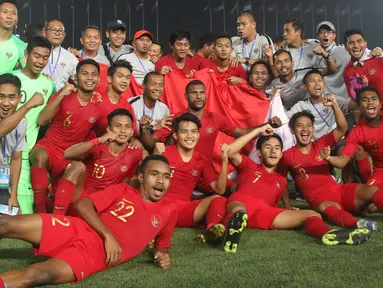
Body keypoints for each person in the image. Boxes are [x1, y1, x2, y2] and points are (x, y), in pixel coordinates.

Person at [0, 155, 176, 287]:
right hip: (79, 228)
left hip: (95, 254)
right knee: (6, 223)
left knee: (37, 274)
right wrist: (108, 235)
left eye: (166, 176)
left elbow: (161, 248)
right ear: (140, 177)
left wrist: (162, 256)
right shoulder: (123, 190)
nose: (161, 181)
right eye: (154, 174)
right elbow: (83, 205)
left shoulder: (168, 211)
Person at [220, 125, 372, 252]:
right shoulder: (250, 166)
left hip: (263, 212)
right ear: (259, 153)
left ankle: (328, 234)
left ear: (281, 154)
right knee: (238, 207)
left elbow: (276, 203)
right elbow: (230, 151)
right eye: (268, 147)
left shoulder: (282, 181)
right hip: (243, 203)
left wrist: (288, 209)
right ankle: (235, 224)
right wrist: (257, 132)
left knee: (312, 214)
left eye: (277, 148)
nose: (273, 151)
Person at [279, 96, 379, 230]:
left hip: (339, 190)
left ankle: (362, 208)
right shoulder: (286, 156)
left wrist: (334, 105)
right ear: (292, 131)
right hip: (321, 200)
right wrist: (287, 206)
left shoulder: (321, 144)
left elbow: (342, 128)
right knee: (325, 208)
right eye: (300, 126)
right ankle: (357, 224)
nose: (305, 129)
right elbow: (281, 181)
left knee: (374, 191)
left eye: (309, 125)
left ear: (313, 130)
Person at [29, 59, 103, 214]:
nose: (89, 78)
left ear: (99, 79)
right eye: (85, 73)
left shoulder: (99, 106)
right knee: (40, 155)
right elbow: (42, 120)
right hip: (49, 146)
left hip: (70, 154)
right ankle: (40, 212)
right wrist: (61, 94)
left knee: (77, 169)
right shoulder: (65, 95)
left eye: (94, 74)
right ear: (76, 77)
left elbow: (104, 132)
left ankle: (57, 218)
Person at [43, 108, 141, 215]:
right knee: (77, 166)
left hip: (99, 206)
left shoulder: (135, 154)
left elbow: (124, 184)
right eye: (118, 126)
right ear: (108, 129)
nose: (123, 130)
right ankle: (58, 216)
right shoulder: (98, 146)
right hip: (78, 199)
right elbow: (67, 154)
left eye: (127, 127)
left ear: (132, 132)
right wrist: (98, 140)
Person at [141, 80, 259, 163]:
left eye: (202, 93)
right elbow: (150, 143)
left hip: (206, 173)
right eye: (194, 93)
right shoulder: (175, 118)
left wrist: (267, 126)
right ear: (186, 96)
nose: (198, 96)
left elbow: (243, 133)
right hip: (180, 171)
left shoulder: (216, 118)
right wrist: (145, 128)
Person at [153, 113, 227, 239]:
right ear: (175, 135)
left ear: (198, 135)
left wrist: (225, 161)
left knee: (219, 199)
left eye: (193, 131)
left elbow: (220, 189)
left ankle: (213, 230)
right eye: (184, 132)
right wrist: (154, 156)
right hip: (158, 207)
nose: (189, 136)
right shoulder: (165, 152)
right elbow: (147, 182)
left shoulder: (201, 160)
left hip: (182, 210)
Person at [10, 36, 56, 214]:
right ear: (27, 54)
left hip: (25, 156)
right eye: (37, 56)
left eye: (45, 58)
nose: (40, 61)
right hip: (4, 152)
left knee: (24, 214)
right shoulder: (9, 79)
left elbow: (45, 119)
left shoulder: (48, 84)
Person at [321, 86, 383, 213]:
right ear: (359, 106)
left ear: (380, 104)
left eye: (374, 99)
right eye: (365, 100)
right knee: (363, 206)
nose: (370, 102)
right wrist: (328, 157)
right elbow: (342, 161)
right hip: (380, 172)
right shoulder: (357, 132)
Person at [0, 74, 44, 212]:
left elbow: (16, 158)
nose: (6, 103)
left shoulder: (21, 122)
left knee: (14, 221)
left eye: (11, 97)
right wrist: (28, 105)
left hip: (2, 182)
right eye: (1, 97)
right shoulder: (23, 112)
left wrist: (13, 195)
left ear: (19, 98)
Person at [287, 69, 358, 140]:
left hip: (338, 140)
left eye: (319, 80)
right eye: (312, 81)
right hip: (317, 146)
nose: (317, 83)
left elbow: (355, 106)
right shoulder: (301, 105)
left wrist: (357, 93)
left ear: (324, 85)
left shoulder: (333, 99)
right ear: (306, 87)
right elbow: (284, 119)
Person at [93, 60, 137, 137]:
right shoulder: (95, 92)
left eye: (127, 78)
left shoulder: (127, 107)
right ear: (109, 79)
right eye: (120, 76)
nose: (124, 81)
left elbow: (131, 133)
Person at [343, 29, 383, 98]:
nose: (356, 45)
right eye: (351, 43)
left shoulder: (379, 57)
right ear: (346, 47)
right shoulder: (347, 71)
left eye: (359, 41)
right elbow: (354, 99)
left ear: (365, 44)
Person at [315, 21, 350, 99]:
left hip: (341, 100)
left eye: (329, 32)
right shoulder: (314, 52)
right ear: (317, 36)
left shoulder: (343, 51)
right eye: (322, 32)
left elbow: (361, 53)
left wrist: (378, 51)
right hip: (322, 100)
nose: (325, 35)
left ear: (334, 36)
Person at [42, 18, 78, 91]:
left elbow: (79, 80)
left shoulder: (70, 57)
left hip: (61, 99)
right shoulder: (35, 53)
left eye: (60, 31)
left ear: (64, 35)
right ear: (44, 32)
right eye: (53, 30)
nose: (57, 33)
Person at [0, 0, 26, 74]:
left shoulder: (21, 46)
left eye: (13, 13)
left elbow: (28, 72)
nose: (9, 16)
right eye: (5, 12)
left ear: (17, 20)